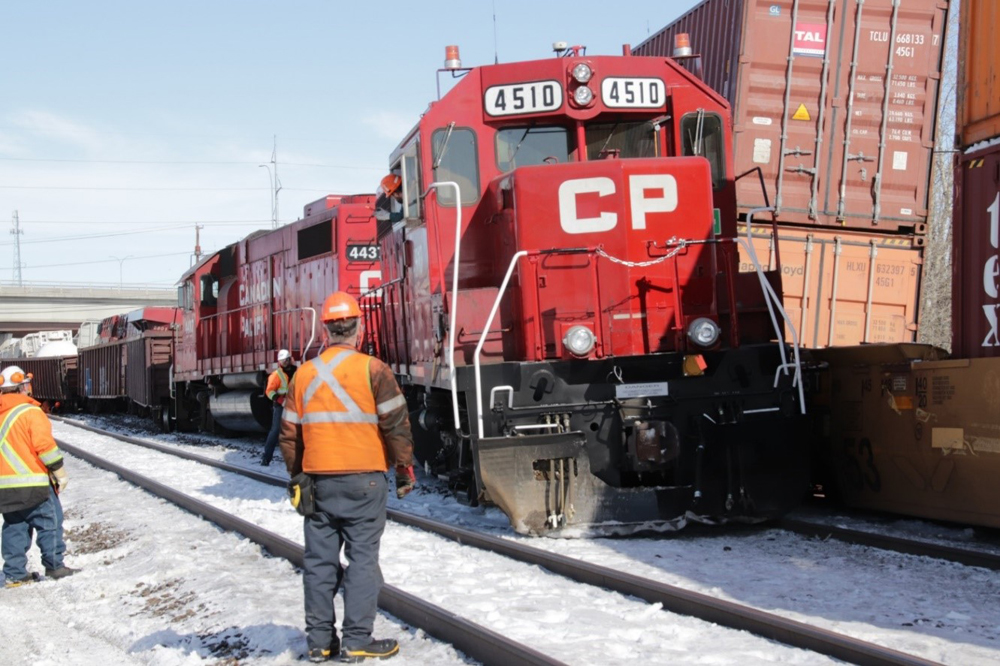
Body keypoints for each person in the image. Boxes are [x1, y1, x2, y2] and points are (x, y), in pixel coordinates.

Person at [279, 291, 415, 663]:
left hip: (319, 483)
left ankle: (320, 644)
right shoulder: (375, 370)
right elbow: (397, 426)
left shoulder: (303, 375)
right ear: (360, 326)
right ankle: (357, 639)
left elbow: (289, 435)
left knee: (319, 564)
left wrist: (298, 477)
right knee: (363, 560)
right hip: (365, 481)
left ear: (324, 330)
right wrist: (404, 470)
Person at [0, 365, 77, 587]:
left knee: (15, 526)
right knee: (50, 521)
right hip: (33, 484)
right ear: (24, 386)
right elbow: (45, 447)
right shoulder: (31, 412)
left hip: (5, 487)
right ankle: (55, 566)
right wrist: (59, 471)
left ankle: (15, 573)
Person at [261, 348, 296, 466]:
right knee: (275, 431)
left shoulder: (297, 372)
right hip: (281, 406)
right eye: (282, 361)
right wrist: (280, 400)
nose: (285, 362)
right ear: (279, 362)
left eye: (286, 360)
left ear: (289, 359)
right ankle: (266, 458)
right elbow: (269, 391)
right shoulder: (276, 375)